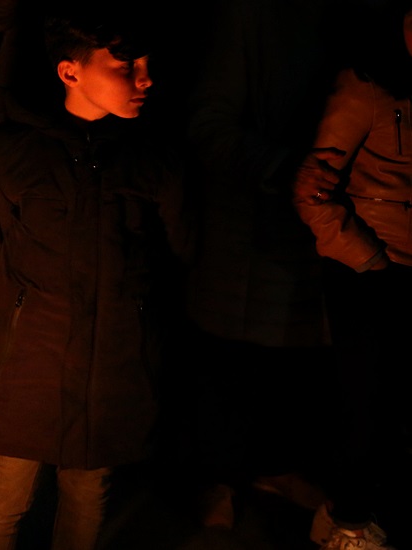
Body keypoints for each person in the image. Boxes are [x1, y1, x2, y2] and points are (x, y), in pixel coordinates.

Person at [0, 7, 193, 549]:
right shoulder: (10, 150)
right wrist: (22, 304)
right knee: (3, 499)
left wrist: (132, 316)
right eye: (126, 65)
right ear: (70, 72)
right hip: (27, 366)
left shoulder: (154, 160)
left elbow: (178, 253)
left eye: (147, 64)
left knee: (88, 495)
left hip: (114, 366)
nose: (145, 78)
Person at [179, 0, 358, 530]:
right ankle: (219, 478)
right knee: (233, 356)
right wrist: (282, 168)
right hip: (251, 226)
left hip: (328, 223)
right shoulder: (250, 13)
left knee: (301, 360)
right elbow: (208, 121)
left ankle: (275, 467)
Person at [292, 2, 412, 547]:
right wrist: (367, 258)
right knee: (366, 406)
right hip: (370, 273)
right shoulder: (365, 87)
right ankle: (348, 526)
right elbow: (314, 184)